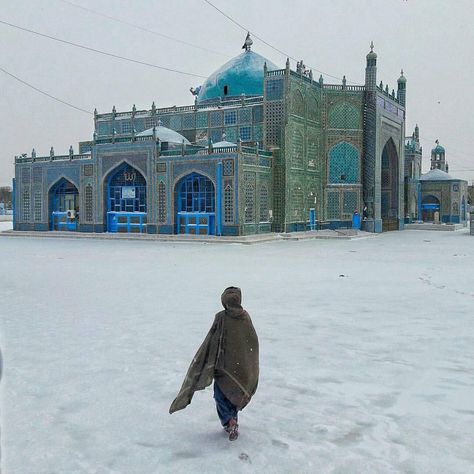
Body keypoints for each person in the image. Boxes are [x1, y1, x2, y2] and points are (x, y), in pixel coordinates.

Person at [169, 287, 259, 441]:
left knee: (220, 395)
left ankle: (229, 422)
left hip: (224, 367)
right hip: (240, 368)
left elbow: (212, 340)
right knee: (233, 395)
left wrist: (205, 361)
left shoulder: (222, 317)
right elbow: (251, 342)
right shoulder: (245, 317)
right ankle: (233, 421)